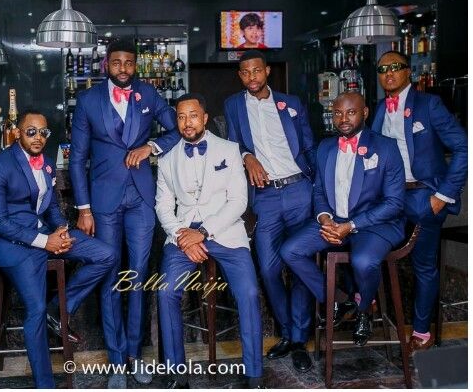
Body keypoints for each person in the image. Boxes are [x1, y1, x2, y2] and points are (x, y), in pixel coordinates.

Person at [69, 38, 180, 388]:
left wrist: (152, 145)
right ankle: (116, 360)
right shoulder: (87, 100)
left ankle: (134, 355)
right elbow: (76, 159)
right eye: (116, 62)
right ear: (106, 65)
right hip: (103, 201)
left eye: (129, 63)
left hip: (142, 199)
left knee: (138, 277)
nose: (123, 68)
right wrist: (83, 208)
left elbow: (179, 129)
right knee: (109, 277)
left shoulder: (148, 95)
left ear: (136, 65)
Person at [0, 108, 116, 389]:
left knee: (106, 255)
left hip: (45, 236)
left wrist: (61, 230)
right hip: (13, 245)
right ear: (18, 132)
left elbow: (51, 207)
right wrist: (46, 241)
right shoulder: (0, 164)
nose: (38, 137)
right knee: (34, 309)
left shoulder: (46, 164)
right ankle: (46, 385)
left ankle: (57, 309)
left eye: (43, 132)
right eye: (31, 131)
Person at [155, 94, 264, 389]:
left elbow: (239, 202)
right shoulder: (166, 160)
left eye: (193, 115)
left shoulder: (230, 150)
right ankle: (177, 373)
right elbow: (163, 207)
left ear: (204, 118)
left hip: (226, 234)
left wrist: (202, 233)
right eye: (181, 116)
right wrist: (182, 236)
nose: (187, 122)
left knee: (250, 294)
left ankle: (254, 373)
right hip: (182, 238)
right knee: (165, 293)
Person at [281, 93, 405, 347]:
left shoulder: (386, 147)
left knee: (363, 261)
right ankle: (336, 300)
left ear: (365, 113)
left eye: (351, 112)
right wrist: (325, 219)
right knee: (290, 251)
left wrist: (350, 226)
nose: (343, 119)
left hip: (374, 224)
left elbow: (394, 204)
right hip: (334, 220)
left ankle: (363, 311)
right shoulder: (325, 147)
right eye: (338, 113)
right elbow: (318, 191)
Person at [224, 51, 316, 372]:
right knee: (268, 268)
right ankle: (288, 332)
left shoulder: (291, 103)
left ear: (267, 71)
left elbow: (308, 147)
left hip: (300, 191)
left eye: (256, 71)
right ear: (240, 76)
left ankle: (299, 339)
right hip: (265, 196)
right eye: (245, 72)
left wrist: (315, 189)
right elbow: (232, 144)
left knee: (300, 263)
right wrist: (247, 154)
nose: (251, 77)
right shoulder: (233, 105)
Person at [371, 51, 467, 351]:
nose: (388, 73)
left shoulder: (429, 105)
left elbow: (465, 148)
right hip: (390, 197)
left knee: (423, 266)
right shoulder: (377, 109)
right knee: (358, 239)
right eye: (383, 69)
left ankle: (422, 333)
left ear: (407, 72)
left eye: (395, 67)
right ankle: (366, 299)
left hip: (424, 197)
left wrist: (442, 196)